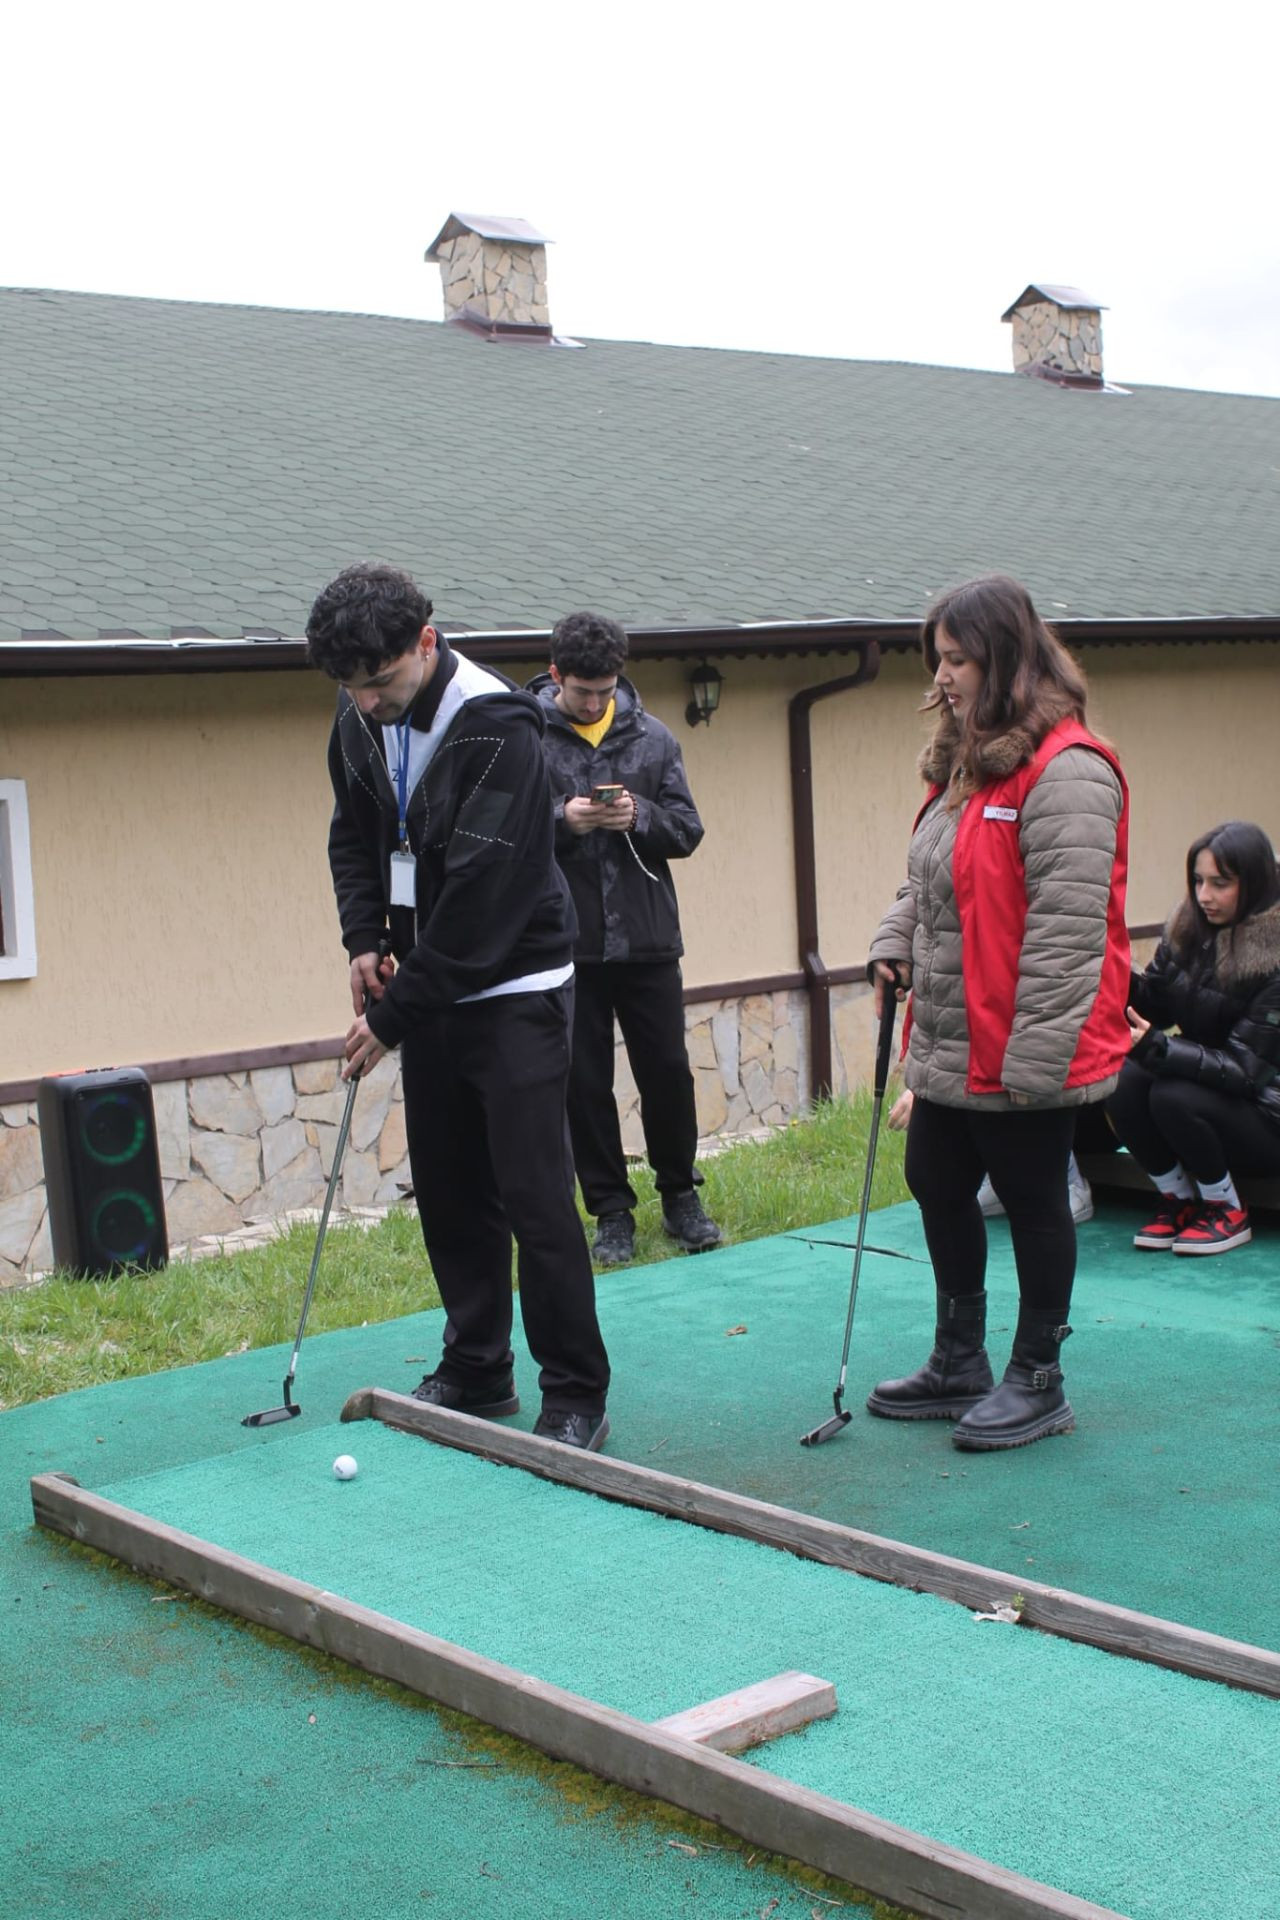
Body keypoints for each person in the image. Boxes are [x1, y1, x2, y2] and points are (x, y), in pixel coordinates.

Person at [306, 562, 611, 1451]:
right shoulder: (361, 714)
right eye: (351, 690)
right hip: (427, 984)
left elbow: (485, 901)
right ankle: (478, 1370)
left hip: (513, 986)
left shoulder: (499, 725)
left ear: (427, 644)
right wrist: (364, 940)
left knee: (533, 1194)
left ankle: (576, 1393)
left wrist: (391, 1020)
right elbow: (352, 833)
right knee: (449, 1191)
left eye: (382, 684)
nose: (367, 705)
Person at [865, 573, 1131, 1450]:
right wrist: (892, 938)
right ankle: (958, 1359)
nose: (941, 678)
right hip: (950, 1028)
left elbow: (1069, 930)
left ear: (1005, 660)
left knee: (1031, 1198)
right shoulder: (968, 762)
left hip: (1021, 1042)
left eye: (957, 660)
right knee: (935, 1178)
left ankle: (1038, 1378)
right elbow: (929, 873)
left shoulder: (1069, 769)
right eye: (936, 660)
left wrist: (1035, 1063)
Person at [527, 611, 721, 1267]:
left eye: (606, 689)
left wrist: (638, 815)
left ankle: (680, 1198)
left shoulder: (655, 739)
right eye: (583, 691)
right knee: (584, 1085)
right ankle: (611, 1213)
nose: (595, 701)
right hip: (565, 946)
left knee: (666, 1074)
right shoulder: (526, 739)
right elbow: (506, 835)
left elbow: (688, 831)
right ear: (556, 676)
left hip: (648, 942)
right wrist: (565, 819)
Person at [1108, 820, 1280, 1255]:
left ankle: (1227, 1209)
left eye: (1220, 883)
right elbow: (1153, 1006)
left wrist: (1159, 1048)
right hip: (1213, 1095)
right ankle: (1177, 1198)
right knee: (1123, 1080)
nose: (1204, 895)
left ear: (1255, 883)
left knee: (1171, 1093)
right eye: (1198, 881)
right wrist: (1109, 969)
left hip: (1267, 1115)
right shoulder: (1189, 931)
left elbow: (1246, 1073)